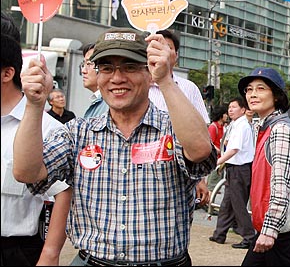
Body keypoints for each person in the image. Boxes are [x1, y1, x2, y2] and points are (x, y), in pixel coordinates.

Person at [12, 28, 217, 266]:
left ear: (149, 74)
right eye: (107, 68)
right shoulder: (78, 132)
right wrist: (34, 105)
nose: (117, 78)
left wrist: (166, 80)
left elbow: (200, 150)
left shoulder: (173, 129)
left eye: (129, 67)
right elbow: (26, 172)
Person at [1, 31, 71, 266]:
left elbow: (63, 192)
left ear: (8, 73)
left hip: (16, 250)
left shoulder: (48, 127)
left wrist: (50, 254)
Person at [238, 67, 290, 266]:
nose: (252, 94)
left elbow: (280, 186)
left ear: (277, 96)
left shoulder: (280, 131)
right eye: (249, 90)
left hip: (283, 232)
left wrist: (269, 231)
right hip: (276, 229)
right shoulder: (266, 128)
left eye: (261, 88)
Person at [148, 29, 211, 207]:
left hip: (179, 170)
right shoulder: (137, 85)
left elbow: (202, 135)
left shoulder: (188, 88)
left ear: (175, 55)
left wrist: (200, 178)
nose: (162, 53)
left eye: (167, 48)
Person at [209, 97, 255, 249]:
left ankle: (249, 237)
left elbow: (234, 149)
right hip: (234, 168)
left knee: (238, 204)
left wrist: (218, 161)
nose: (230, 110)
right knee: (227, 203)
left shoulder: (242, 126)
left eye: (234, 107)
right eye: (229, 107)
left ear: (243, 109)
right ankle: (219, 234)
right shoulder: (236, 124)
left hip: (239, 169)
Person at [80, 43, 108, 118]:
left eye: (89, 64)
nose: (83, 70)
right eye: (83, 64)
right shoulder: (99, 101)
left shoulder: (111, 104)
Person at [206, 104, 228, 194]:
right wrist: (218, 150)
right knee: (212, 185)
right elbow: (209, 142)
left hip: (220, 159)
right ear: (221, 115)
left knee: (217, 184)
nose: (227, 116)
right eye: (225, 114)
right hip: (215, 160)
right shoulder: (213, 127)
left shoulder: (222, 127)